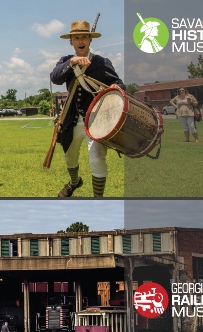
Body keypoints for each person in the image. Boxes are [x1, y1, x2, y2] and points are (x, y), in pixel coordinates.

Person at [50, 20, 125, 198]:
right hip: (70, 120)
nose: (80, 41)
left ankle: (98, 198)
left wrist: (117, 90)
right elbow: (55, 78)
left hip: (96, 121)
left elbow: (118, 83)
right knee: (70, 158)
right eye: (76, 38)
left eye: (84, 37)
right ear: (71, 42)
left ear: (90, 40)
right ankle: (75, 182)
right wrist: (72, 63)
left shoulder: (101, 62)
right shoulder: (65, 61)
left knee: (97, 159)